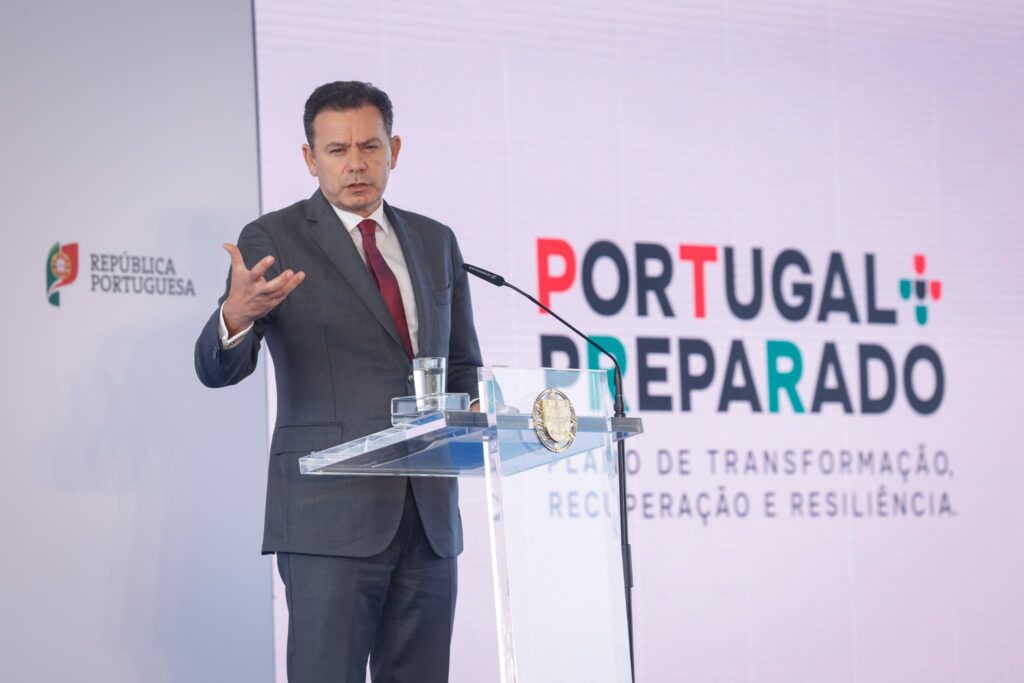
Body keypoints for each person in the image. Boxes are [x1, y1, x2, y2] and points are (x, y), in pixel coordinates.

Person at [194, 81, 482, 682]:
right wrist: (236, 317)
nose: (356, 163)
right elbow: (219, 369)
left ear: (393, 150)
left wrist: (481, 414)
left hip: (429, 520)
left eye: (370, 147)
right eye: (337, 149)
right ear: (310, 158)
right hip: (328, 517)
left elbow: (461, 367)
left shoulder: (436, 241)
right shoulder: (274, 238)